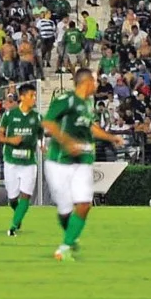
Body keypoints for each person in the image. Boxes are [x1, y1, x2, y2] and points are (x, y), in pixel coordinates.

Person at [43, 68, 124, 262]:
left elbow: (91, 127)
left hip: (82, 161)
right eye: (94, 82)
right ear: (86, 83)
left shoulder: (88, 104)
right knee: (65, 210)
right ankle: (71, 237)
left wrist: (111, 137)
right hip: (59, 161)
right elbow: (48, 123)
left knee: (85, 203)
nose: (96, 86)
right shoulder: (66, 100)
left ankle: (64, 247)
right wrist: (67, 142)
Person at [0, 82, 42, 236]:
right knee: (12, 198)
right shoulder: (9, 115)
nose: (34, 98)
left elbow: (41, 134)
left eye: (34, 95)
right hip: (11, 161)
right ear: (22, 97)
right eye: (31, 95)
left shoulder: (37, 117)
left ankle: (13, 227)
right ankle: (18, 214)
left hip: (29, 163)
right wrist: (11, 140)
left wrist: (42, 145)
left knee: (26, 195)